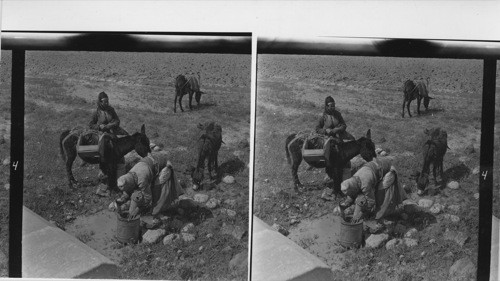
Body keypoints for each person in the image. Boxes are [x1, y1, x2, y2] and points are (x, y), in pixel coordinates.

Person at [339, 157, 407, 231]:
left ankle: (380, 217)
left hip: (388, 172)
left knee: (380, 196)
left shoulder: (365, 184)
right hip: (377, 169)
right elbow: (352, 192)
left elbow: (371, 201)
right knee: (366, 196)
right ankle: (374, 213)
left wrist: (362, 213)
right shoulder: (353, 179)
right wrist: (348, 201)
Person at [113, 152, 184, 220]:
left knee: (157, 193)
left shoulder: (141, 180)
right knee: (143, 191)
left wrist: (138, 209)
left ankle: (157, 214)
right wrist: (123, 198)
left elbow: (148, 197)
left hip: (164, 168)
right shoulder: (129, 175)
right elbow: (128, 189)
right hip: (153, 164)